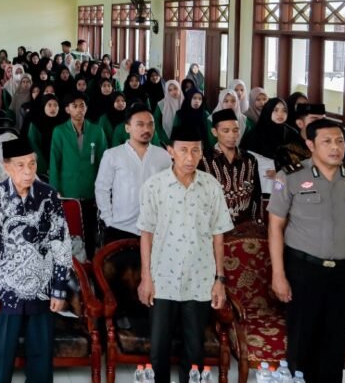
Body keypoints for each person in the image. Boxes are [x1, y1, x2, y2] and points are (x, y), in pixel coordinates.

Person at [268, 119, 345, 383]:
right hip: (303, 271)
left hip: (344, 272)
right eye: (327, 142)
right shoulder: (291, 176)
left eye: (340, 141)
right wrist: (278, 274)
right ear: (310, 145)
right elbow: (275, 227)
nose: (335, 147)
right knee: (302, 341)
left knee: (334, 341)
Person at [137, 123, 233, 383]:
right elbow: (146, 234)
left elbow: (218, 235)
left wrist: (219, 280)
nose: (190, 157)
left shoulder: (211, 186)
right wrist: (146, 278)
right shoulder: (154, 186)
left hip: (200, 278)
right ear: (170, 151)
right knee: (159, 348)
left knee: (194, 350)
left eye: (195, 150)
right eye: (183, 150)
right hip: (162, 279)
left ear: (202, 152)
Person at [0, 137, 74, 383]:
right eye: (21, 165)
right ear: (6, 167)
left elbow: (61, 243)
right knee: (0, 358)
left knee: (41, 358)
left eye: (32, 163)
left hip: (41, 288)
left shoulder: (48, 196)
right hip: (5, 289)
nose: (28, 171)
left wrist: (59, 288)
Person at [95, 104, 172, 244]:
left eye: (150, 124)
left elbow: (170, 189)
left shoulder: (163, 155)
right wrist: (108, 220)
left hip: (155, 228)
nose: (146, 129)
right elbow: (102, 188)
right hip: (120, 228)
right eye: (140, 124)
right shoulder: (113, 155)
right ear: (127, 128)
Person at [49, 91, 108, 258]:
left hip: (90, 188)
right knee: (70, 230)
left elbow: (104, 163)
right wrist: (55, 189)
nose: (79, 109)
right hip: (68, 189)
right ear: (67, 109)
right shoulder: (59, 131)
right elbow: (55, 162)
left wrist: (103, 189)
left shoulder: (97, 131)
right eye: (74, 106)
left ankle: (89, 262)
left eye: (82, 105)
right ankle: (70, 265)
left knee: (90, 229)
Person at [199, 109, 262, 226]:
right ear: (214, 132)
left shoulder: (250, 160)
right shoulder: (203, 160)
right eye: (226, 131)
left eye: (235, 130)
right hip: (214, 227)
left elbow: (256, 195)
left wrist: (256, 222)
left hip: (244, 226)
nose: (232, 135)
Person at [273, 102, 326, 170]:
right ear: (300, 123)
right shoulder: (286, 151)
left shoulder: (329, 146)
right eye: (315, 121)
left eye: (323, 120)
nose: (321, 125)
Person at [26, 94, 67, 177]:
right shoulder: (36, 123)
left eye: (56, 105)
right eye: (49, 105)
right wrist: (45, 167)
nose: (53, 108)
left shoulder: (63, 123)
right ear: (44, 106)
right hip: (43, 166)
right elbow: (34, 147)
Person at [154, 80, 183, 145]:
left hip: (184, 137)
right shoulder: (161, 104)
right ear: (167, 92)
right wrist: (161, 137)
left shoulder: (185, 102)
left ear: (179, 88)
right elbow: (156, 121)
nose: (173, 92)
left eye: (175, 88)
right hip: (166, 136)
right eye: (170, 90)